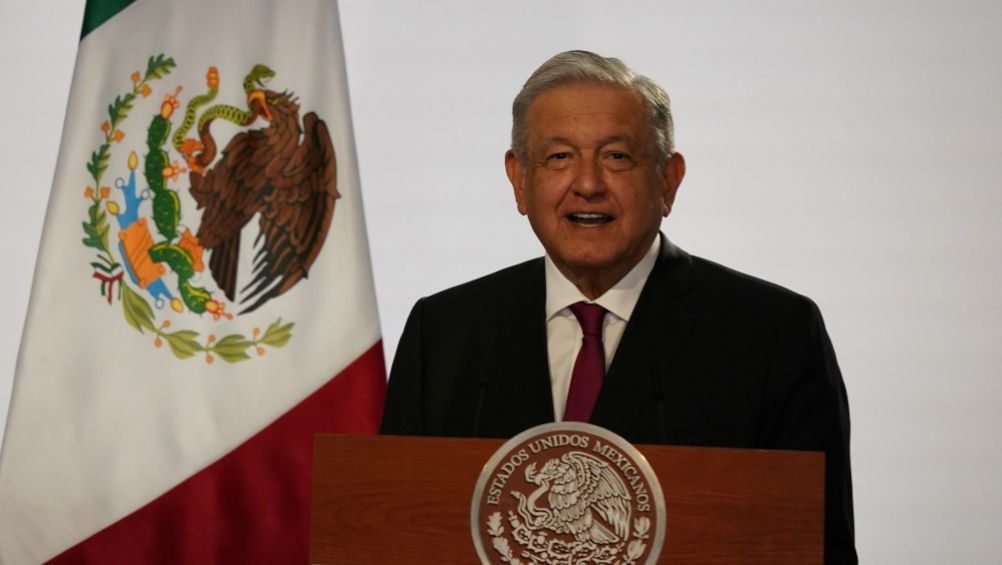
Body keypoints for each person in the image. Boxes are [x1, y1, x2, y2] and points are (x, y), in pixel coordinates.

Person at [380, 50, 856, 563]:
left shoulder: (773, 334)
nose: (587, 184)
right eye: (559, 157)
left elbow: (817, 546)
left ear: (668, 180)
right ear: (519, 179)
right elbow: (391, 534)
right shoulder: (445, 331)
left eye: (617, 157)